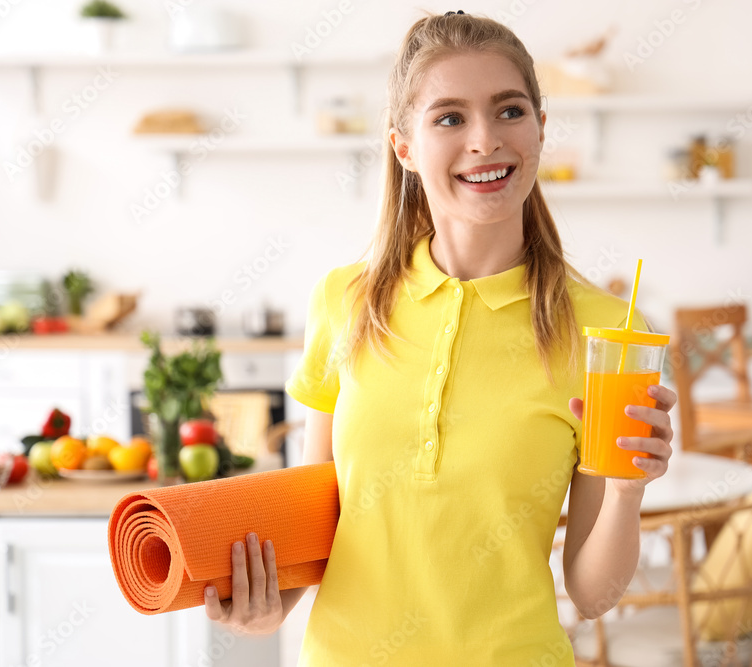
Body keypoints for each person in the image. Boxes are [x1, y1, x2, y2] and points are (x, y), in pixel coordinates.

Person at [204, 11, 677, 665]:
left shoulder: (602, 330)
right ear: (404, 147)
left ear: (541, 126)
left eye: (509, 111)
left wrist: (628, 491)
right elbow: (320, 521)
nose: (485, 140)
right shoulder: (346, 301)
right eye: (450, 118)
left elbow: (593, 592)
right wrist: (263, 609)